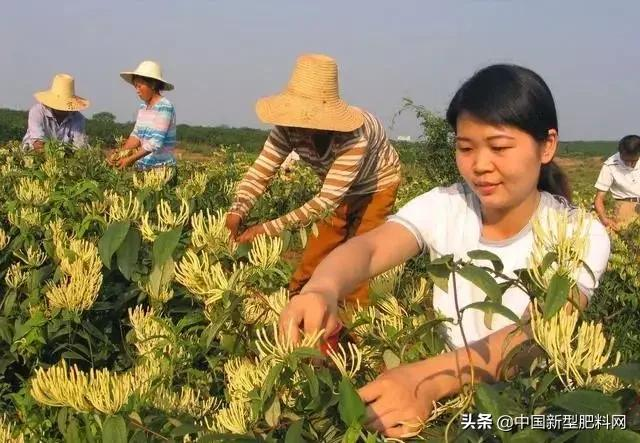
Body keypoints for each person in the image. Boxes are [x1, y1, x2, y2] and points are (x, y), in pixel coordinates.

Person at [278, 64, 611, 438]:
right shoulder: (446, 206)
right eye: (465, 148)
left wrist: (426, 380)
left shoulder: (580, 234)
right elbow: (370, 249)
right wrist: (322, 288)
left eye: (499, 147)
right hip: (451, 407)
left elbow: (538, 335)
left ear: (547, 145)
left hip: (532, 414)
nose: (480, 165)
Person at [225, 54, 402, 304]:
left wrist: (265, 230)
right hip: (335, 186)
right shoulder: (288, 128)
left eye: (309, 116)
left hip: (377, 185)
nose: (301, 124)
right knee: (318, 249)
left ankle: (357, 327)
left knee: (361, 253)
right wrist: (237, 211)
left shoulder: (354, 135)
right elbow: (261, 171)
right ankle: (298, 302)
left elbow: (327, 201)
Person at [109, 60, 177, 171]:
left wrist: (130, 159)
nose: (137, 90)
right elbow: (136, 136)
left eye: (139, 86)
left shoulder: (165, 107)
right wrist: (119, 154)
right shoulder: (143, 108)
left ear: (153, 85)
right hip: (144, 168)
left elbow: (155, 142)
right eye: (135, 86)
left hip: (161, 169)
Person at [22, 73, 89, 151]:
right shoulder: (37, 112)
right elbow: (37, 143)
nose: (62, 109)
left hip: (65, 156)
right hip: (35, 153)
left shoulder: (78, 118)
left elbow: (79, 146)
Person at [594, 135, 640, 229]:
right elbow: (599, 198)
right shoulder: (610, 165)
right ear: (621, 153)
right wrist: (604, 219)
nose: (629, 164)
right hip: (624, 208)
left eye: (633, 161)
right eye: (626, 160)